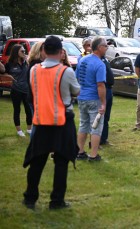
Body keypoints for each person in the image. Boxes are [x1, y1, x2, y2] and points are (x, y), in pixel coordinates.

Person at [23, 35, 80, 210]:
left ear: (44, 51)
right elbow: (76, 91)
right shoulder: (66, 71)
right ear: (61, 51)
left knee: (37, 162)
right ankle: (57, 201)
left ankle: (30, 198)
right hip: (62, 121)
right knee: (61, 163)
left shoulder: (33, 70)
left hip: (40, 120)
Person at [76, 36, 107, 161]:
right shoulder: (100, 64)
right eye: (105, 46)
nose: (107, 48)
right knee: (96, 127)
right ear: (99, 48)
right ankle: (93, 155)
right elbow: (100, 85)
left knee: (83, 125)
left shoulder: (82, 60)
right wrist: (103, 103)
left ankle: (80, 152)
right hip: (94, 99)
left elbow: (77, 78)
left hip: (82, 97)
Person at [5, 44, 32, 137]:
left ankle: (29, 129)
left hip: (26, 89)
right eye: (22, 51)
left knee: (28, 110)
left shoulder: (26, 62)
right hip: (16, 90)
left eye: (25, 51)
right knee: (17, 110)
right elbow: (4, 72)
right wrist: (8, 76)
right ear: (16, 52)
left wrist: (27, 60)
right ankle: (19, 130)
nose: (24, 53)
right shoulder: (10, 64)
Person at [100, 55, 114, 145]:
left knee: (106, 116)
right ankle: (98, 140)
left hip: (109, 89)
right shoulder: (97, 60)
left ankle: (104, 138)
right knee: (101, 116)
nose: (107, 47)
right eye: (105, 46)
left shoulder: (105, 59)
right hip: (103, 88)